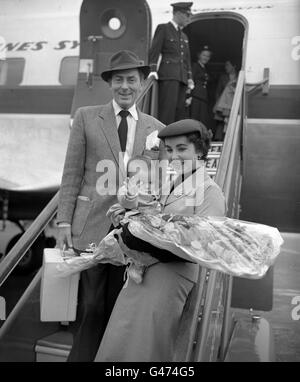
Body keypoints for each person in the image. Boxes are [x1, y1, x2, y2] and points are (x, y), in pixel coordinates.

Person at [56, 50, 164, 362]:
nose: (125, 86)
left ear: (142, 83)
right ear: (110, 84)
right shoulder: (87, 117)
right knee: (91, 306)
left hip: (133, 232)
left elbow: (156, 182)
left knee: (120, 307)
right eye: (119, 80)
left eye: (132, 79)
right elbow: (72, 173)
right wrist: (64, 221)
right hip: (91, 225)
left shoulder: (156, 127)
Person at [94, 119, 226, 362]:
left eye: (182, 149)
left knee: (145, 349)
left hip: (171, 276)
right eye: (170, 149)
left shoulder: (210, 191)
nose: (175, 156)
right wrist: (130, 218)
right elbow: (156, 221)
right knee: (121, 343)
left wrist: (147, 236)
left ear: (199, 151)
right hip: (144, 273)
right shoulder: (170, 185)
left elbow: (207, 243)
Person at [149, 2, 194, 125]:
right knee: (167, 111)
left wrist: (190, 78)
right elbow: (154, 51)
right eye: (187, 15)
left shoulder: (184, 36)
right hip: (168, 76)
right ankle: (164, 140)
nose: (188, 18)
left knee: (180, 112)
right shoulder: (164, 28)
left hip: (182, 78)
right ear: (178, 13)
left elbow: (186, 59)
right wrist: (153, 70)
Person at [188, 46, 213, 132]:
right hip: (195, 96)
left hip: (203, 97)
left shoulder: (205, 68)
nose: (205, 58)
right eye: (204, 55)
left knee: (202, 119)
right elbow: (191, 81)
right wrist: (189, 96)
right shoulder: (195, 66)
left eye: (208, 56)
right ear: (199, 55)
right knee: (194, 118)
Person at [213, 60, 238, 140]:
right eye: (225, 65)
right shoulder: (223, 77)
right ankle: (219, 140)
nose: (225, 67)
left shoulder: (239, 77)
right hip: (223, 105)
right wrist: (218, 104)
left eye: (228, 65)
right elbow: (218, 91)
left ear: (234, 66)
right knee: (221, 123)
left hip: (234, 104)